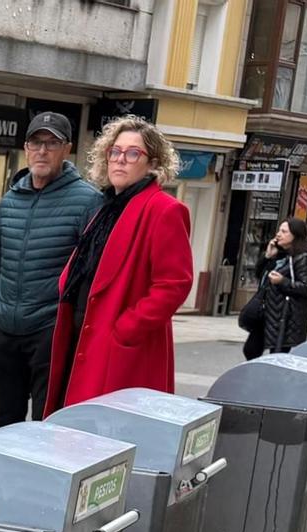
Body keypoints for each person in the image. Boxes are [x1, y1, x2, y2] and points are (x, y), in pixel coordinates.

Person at [46, 116, 193, 412]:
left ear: (152, 163)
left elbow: (174, 284)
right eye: (115, 151)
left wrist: (125, 329)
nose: (120, 160)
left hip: (119, 350)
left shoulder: (164, 210)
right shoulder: (107, 207)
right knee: (73, 430)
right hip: (83, 339)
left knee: (104, 436)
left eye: (132, 153)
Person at [0, 112, 101, 425]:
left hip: (50, 333)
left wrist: (70, 331)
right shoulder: (9, 201)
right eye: (36, 142)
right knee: (4, 426)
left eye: (52, 143)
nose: (42, 151)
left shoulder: (88, 202)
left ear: (67, 149)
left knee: (47, 427)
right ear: (25, 147)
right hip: (3, 332)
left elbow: (91, 277)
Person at [258, 218, 307, 354]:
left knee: (277, 358)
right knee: (256, 353)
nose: (278, 234)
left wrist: (282, 281)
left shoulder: (302, 258)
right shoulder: (282, 255)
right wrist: (267, 257)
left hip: (286, 320)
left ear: (295, 236)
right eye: (279, 230)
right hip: (271, 317)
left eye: (284, 232)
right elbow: (259, 276)